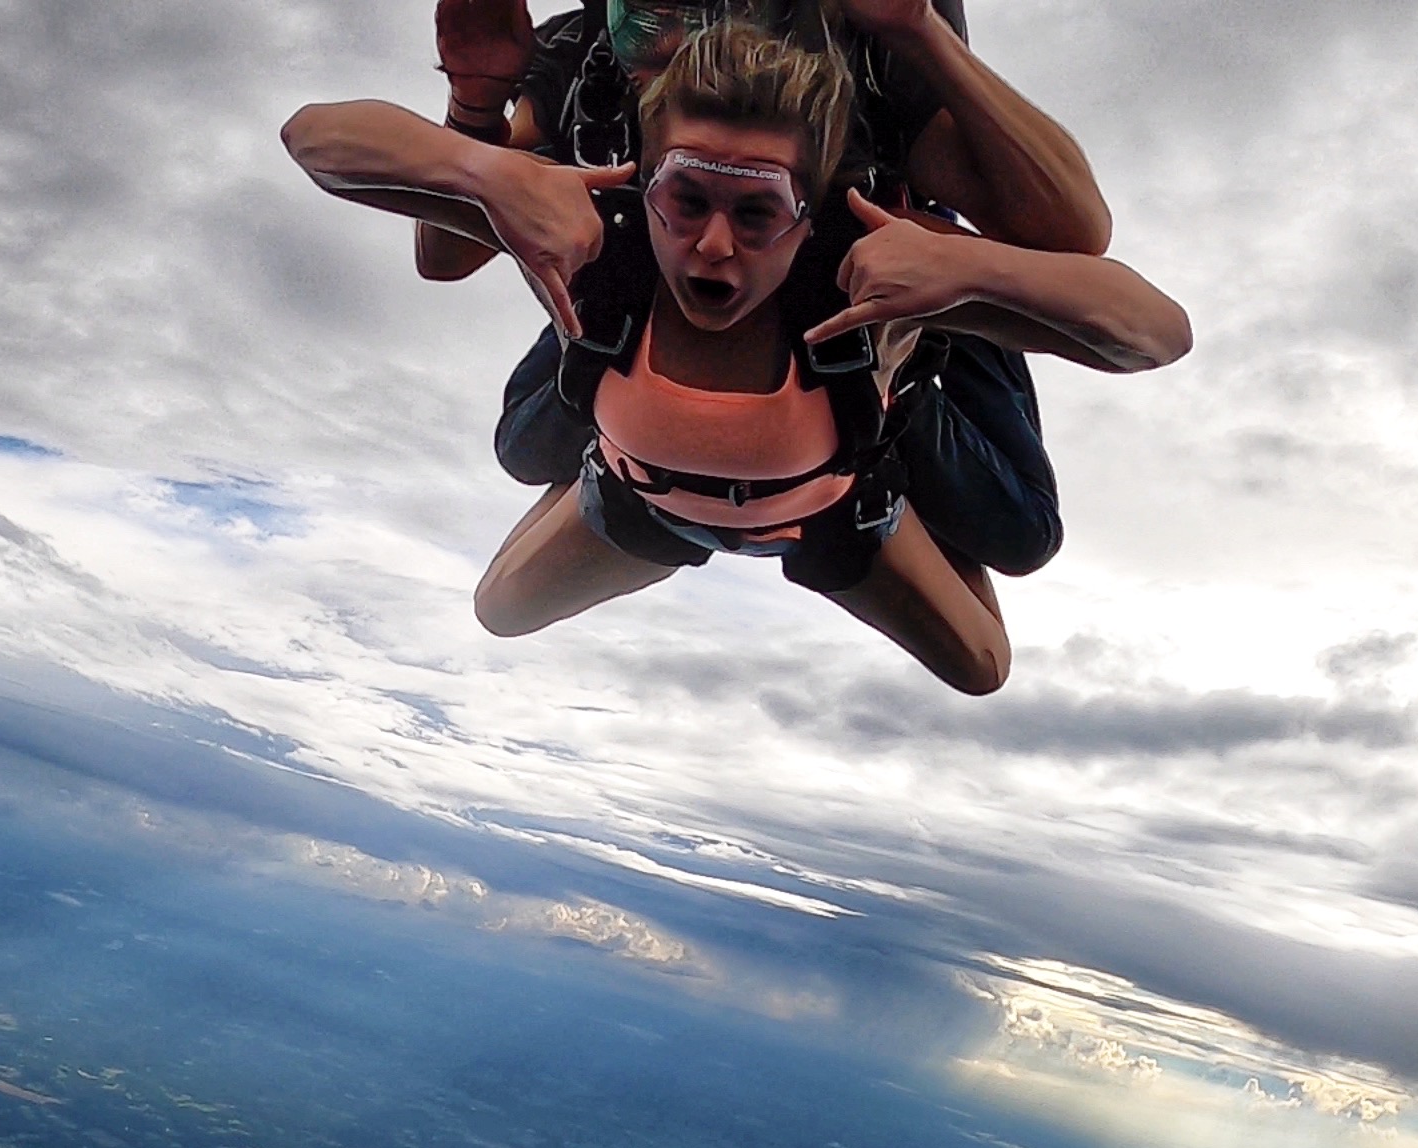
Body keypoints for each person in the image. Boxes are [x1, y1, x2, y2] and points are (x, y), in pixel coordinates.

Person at [282, 18, 1188, 693]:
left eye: (755, 212)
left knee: (983, 664)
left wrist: (966, 268)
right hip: (650, 502)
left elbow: (1153, 330)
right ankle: (631, 461)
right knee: (499, 608)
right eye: (686, 201)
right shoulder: (600, 226)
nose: (713, 247)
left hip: (839, 515)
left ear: (811, 208)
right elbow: (314, 140)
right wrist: (487, 169)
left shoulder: (862, 270)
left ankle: (898, 405)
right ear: (647, 178)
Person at [424, 0, 1109, 579]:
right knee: (523, 445)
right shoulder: (588, 63)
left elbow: (1072, 233)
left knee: (1019, 530)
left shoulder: (858, 62)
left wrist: (917, 31)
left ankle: (890, 402)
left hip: (874, 298)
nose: (670, 58)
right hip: (655, 300)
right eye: (642, 19)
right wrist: (477, 105)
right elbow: (445, 255)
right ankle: (648, 454)